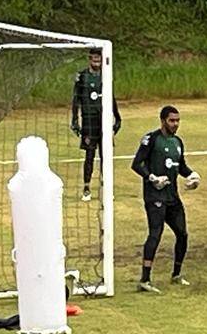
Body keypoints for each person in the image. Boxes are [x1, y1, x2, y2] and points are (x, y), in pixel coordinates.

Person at [131, 105, 200, 294]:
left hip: (172, 196)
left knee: (183, 234)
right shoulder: (151, 139)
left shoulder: (178, 142)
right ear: (163, 121)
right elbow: (136, 164)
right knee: (156, 233)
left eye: (178, 120)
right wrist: (152, 177)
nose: (175, 124)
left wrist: (193, 175)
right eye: (172, 120)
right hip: (155, 196)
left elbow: (181, 167)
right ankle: (145, 280)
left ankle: (176, 274)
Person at [71, 48, 121, 202]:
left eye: (99, 59)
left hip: (104, 121)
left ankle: (106, 188)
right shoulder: (82, 77)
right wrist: (74, 120)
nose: (96, 62)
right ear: (89, 59)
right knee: (90, 155)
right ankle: (86, 188)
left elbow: (111, 98)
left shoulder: (106, 75)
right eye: (94, 59)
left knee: (105, 155)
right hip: (89, 121)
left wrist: (117, 118)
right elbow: (76, 100)